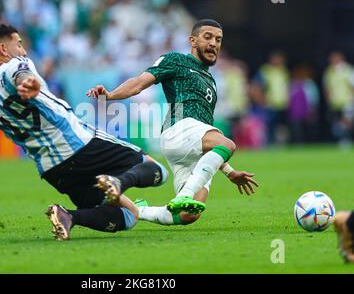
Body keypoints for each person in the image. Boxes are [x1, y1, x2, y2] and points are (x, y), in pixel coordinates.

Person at [0, 23, 169, 240]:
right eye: (19, 43)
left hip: (52, 170)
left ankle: (68, 216)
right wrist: (29, 85)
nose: (23, 50)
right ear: (4, 49)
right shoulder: (16, 64)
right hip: (80, 146)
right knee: (158, 171)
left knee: (128, 215)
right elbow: (23, 75)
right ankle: (118, 181)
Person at [86, 19, 258, 226]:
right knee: (228, 144)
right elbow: (140, 82)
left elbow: (211, 144)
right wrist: (111, 95)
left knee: (188, 215)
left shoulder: (211, 81)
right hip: (179, 130)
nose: (214, 43)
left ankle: (135, 209)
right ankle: (183, 195)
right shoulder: (175, 60)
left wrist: (230, 173)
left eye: (218, 40)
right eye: (208, 37)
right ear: (193, 41)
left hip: (194, 146)